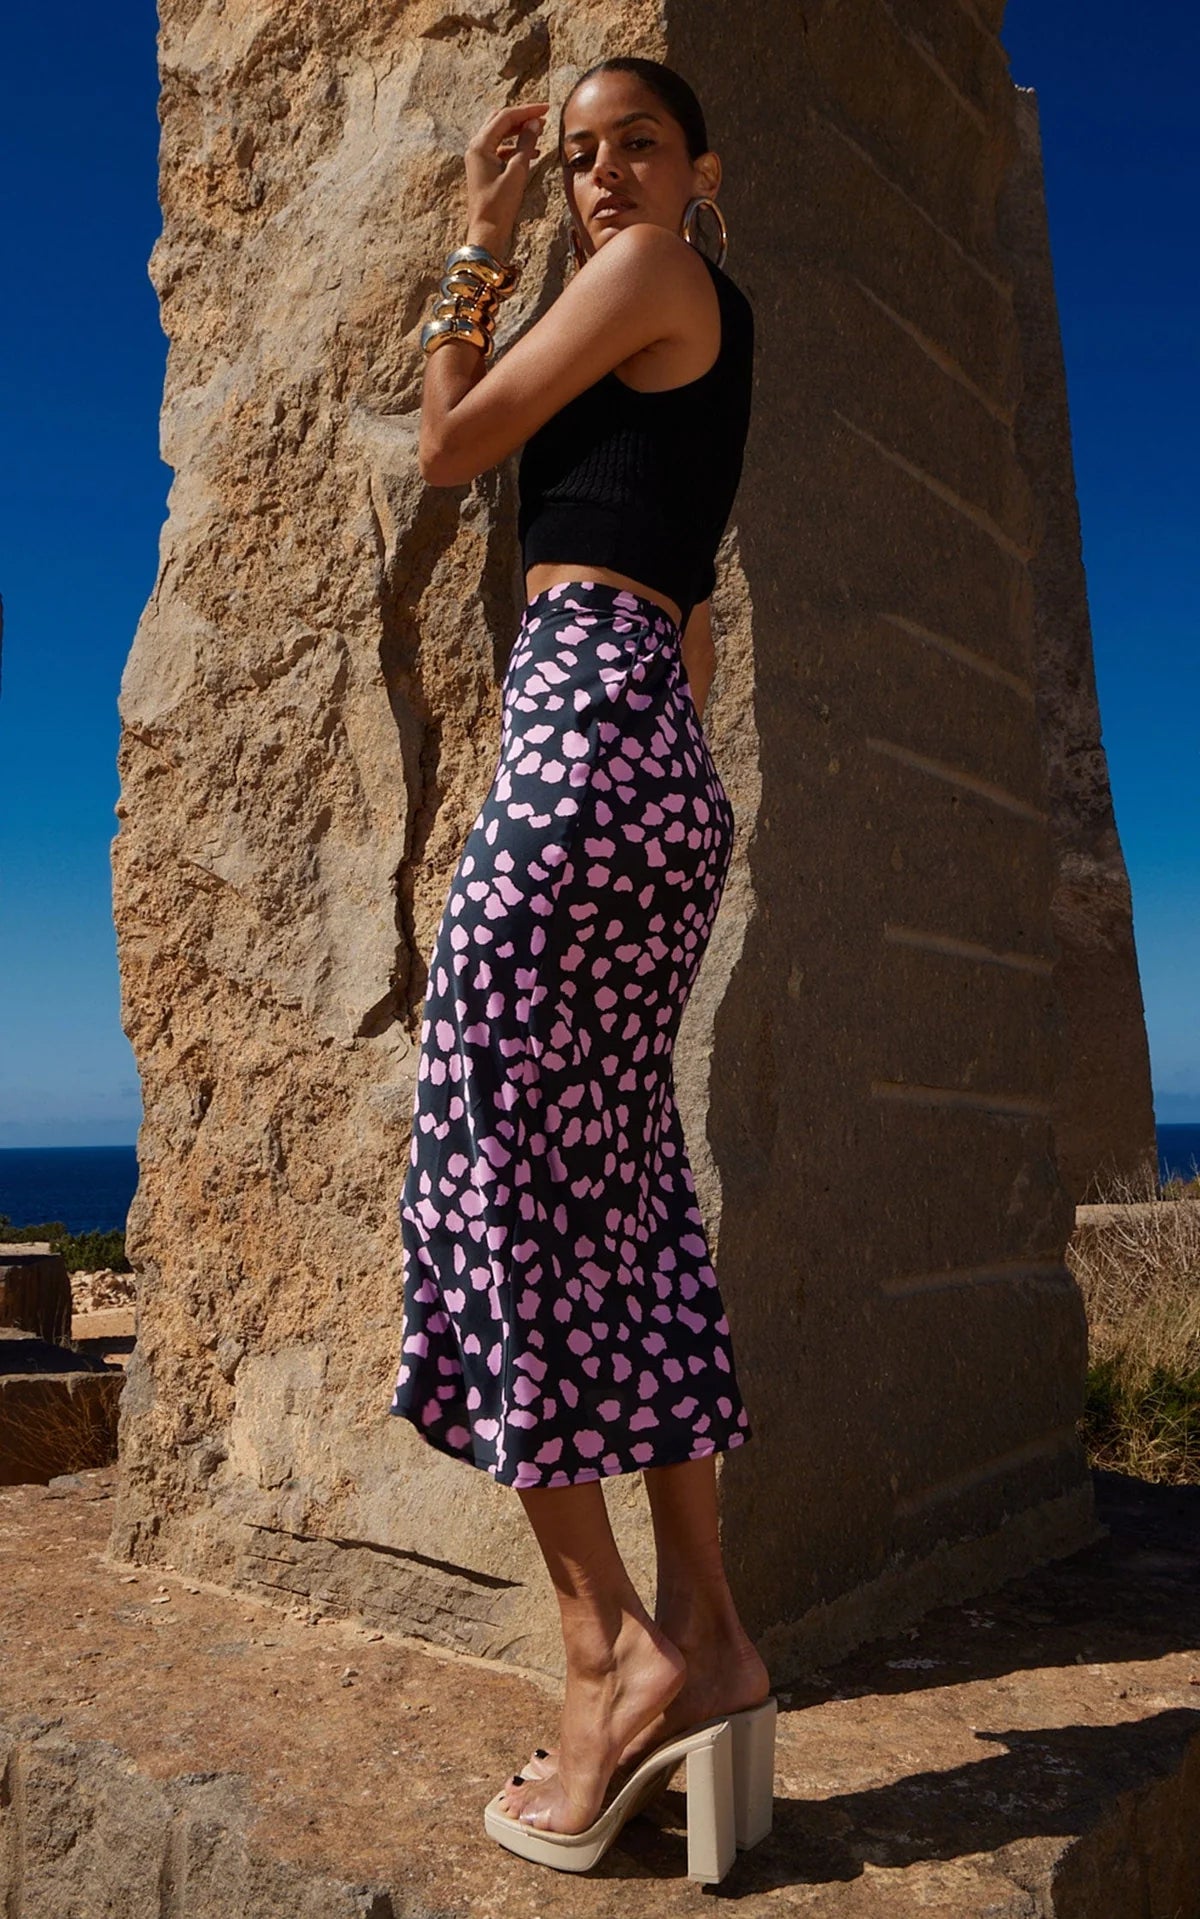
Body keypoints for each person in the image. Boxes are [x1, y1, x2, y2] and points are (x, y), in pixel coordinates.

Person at [387, 57, 774, 1882]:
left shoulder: (651, 269)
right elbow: (681, 628)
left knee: (487, 1172)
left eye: (641, 145)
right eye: (583, 158)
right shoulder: (703, 328)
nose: (605, 174)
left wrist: (477, 248)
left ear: (701, 170)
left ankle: (607, 1657)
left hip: (584, 740)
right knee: (616, 1182)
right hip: (649, 753)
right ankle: (709, 1632)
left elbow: (450, 444)